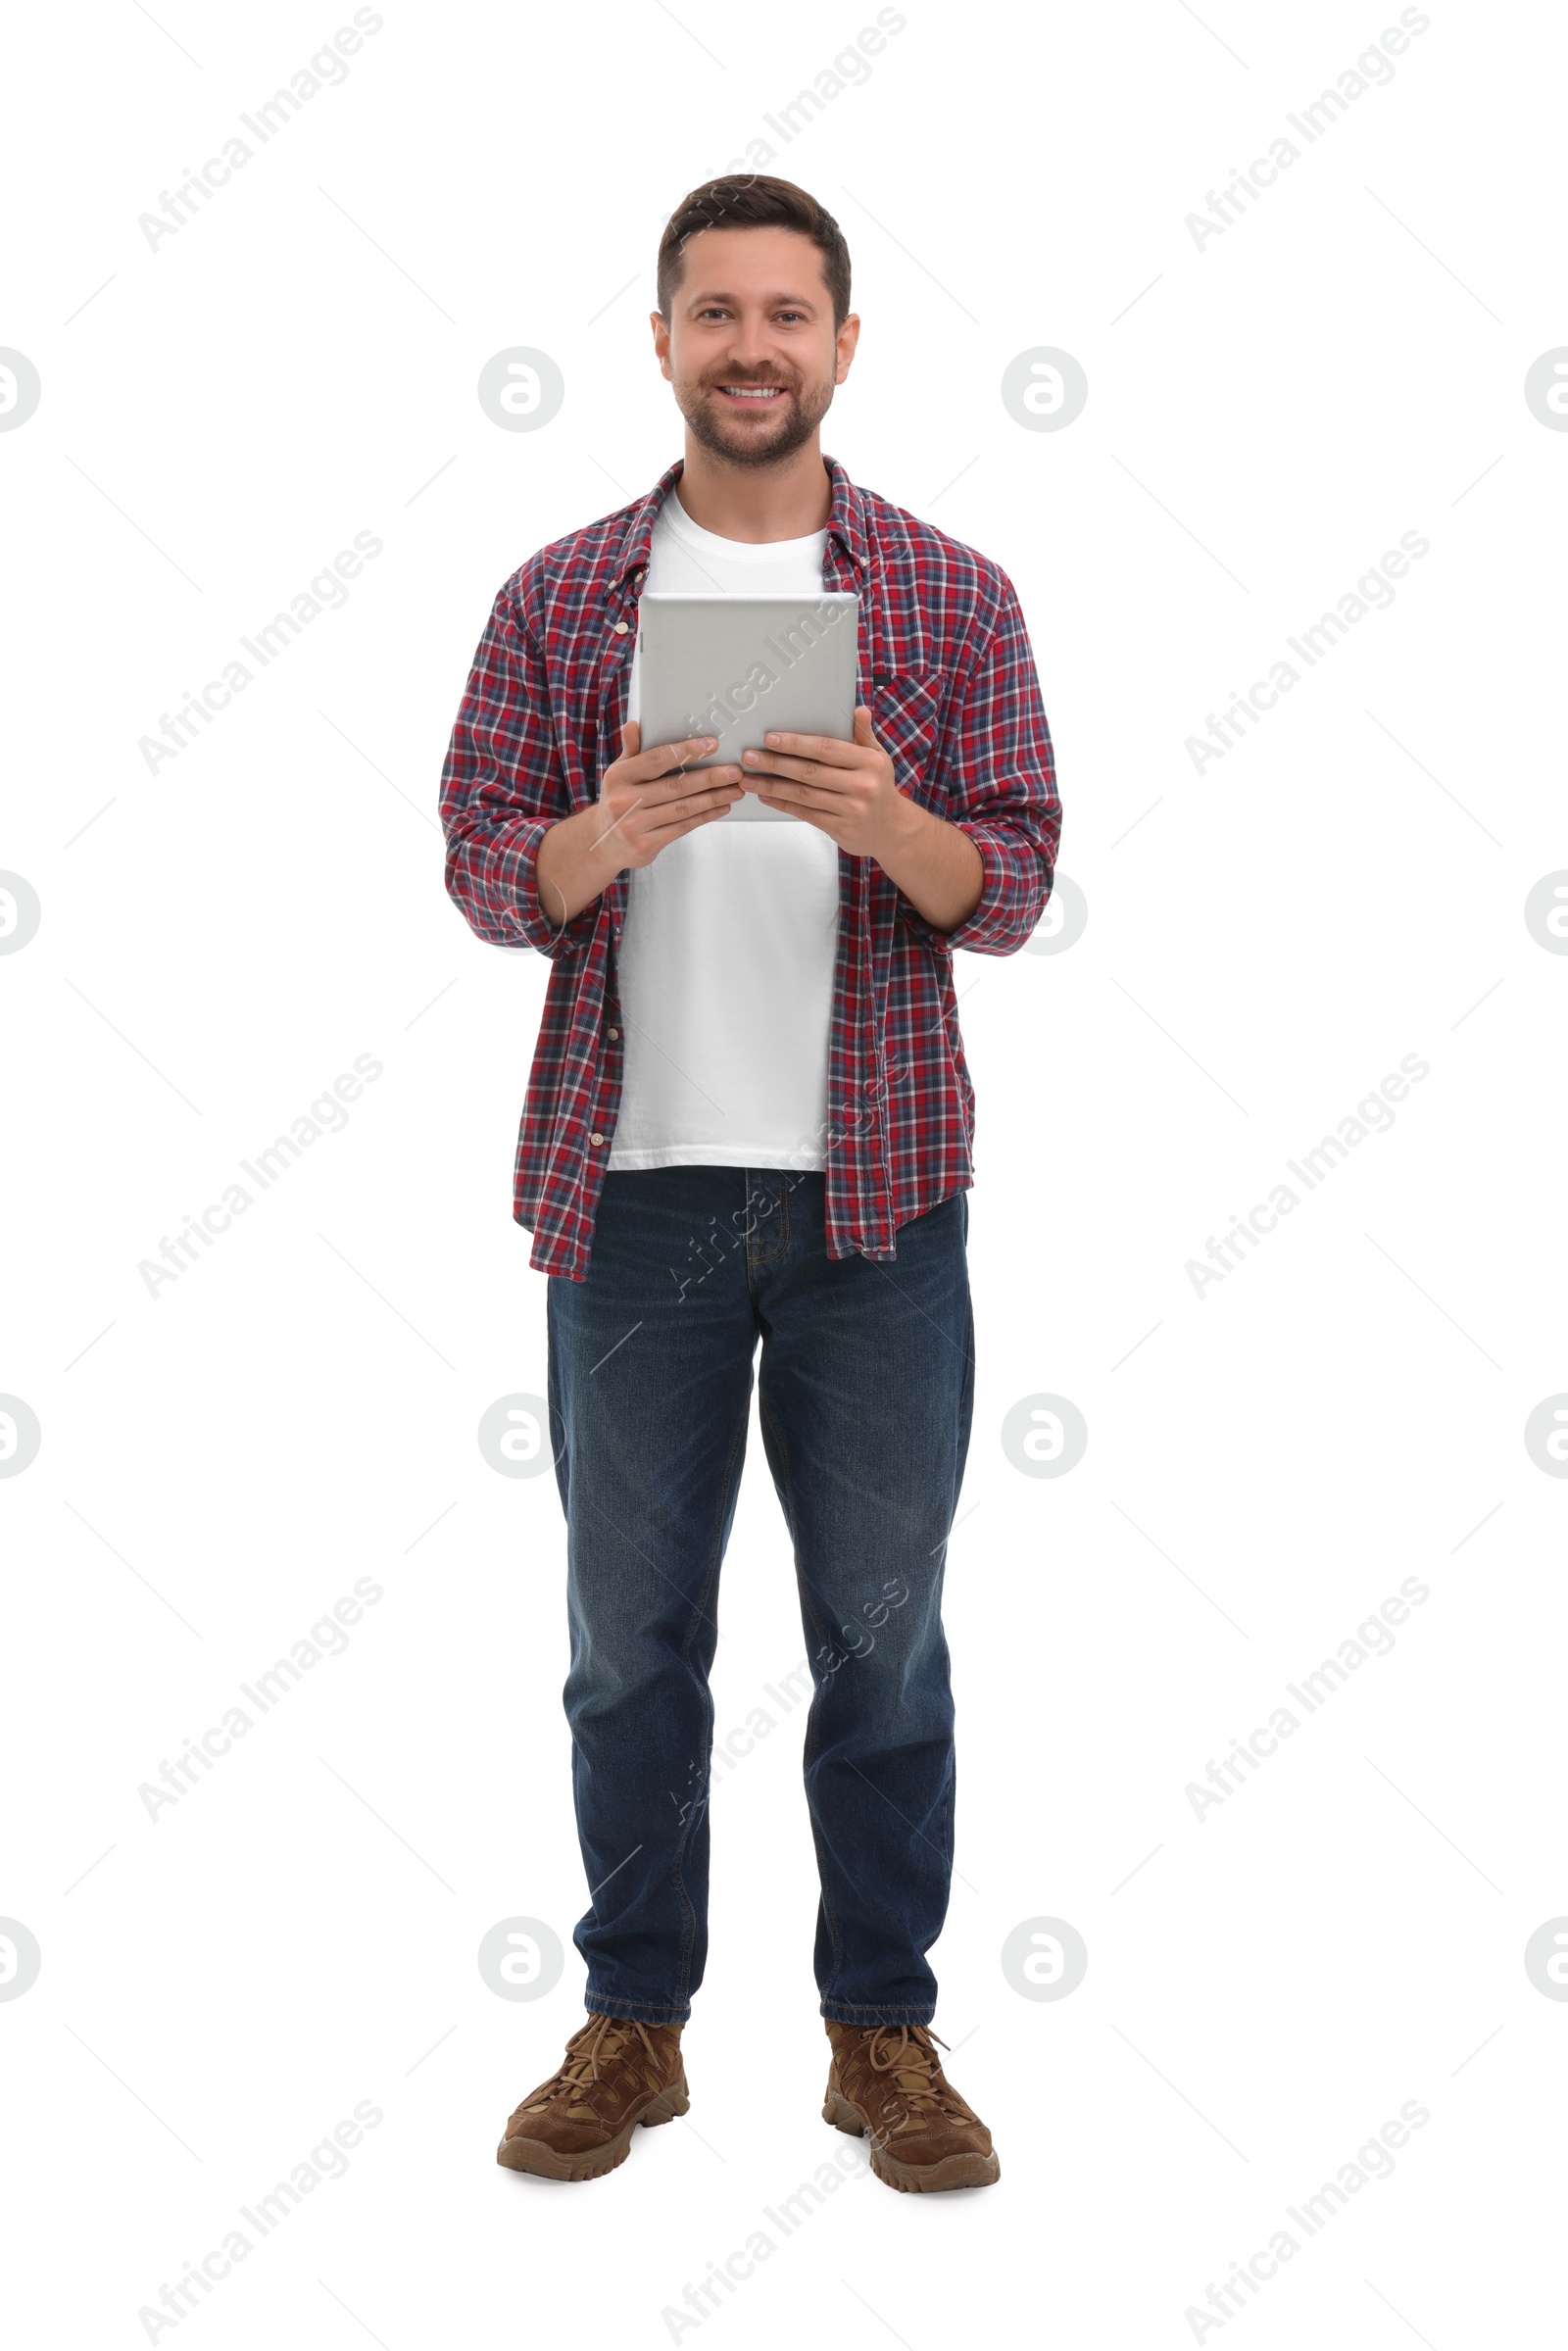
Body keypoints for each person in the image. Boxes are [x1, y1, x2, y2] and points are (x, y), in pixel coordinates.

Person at [439, 173, 1060, 2192]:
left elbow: (1015, 883)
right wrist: (593, 837)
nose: (749, 345)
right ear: (659, 343)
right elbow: (477, 867)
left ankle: (881, 2030)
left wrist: (891, 814)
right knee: (631, 1637)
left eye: (785, 312)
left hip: (876, 1204)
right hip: (631, 1202)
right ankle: (635, 2022)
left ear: (843, 345)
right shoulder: (559, 598)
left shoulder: (951, 596)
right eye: (712, 311)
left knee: (880, 1640)